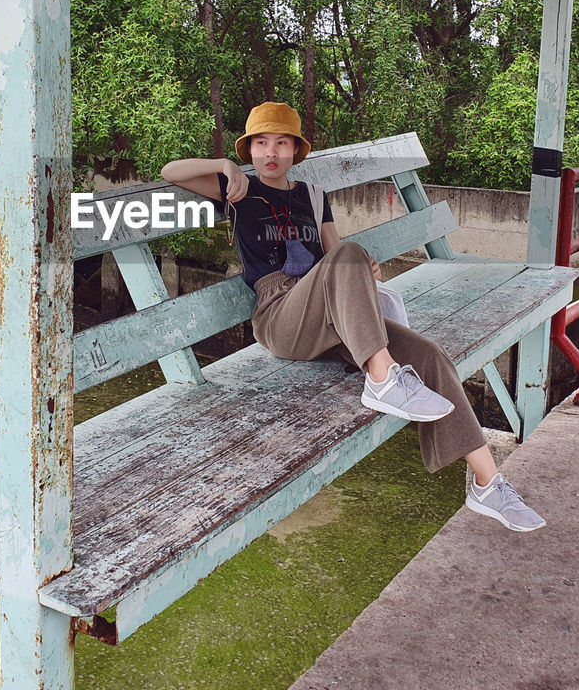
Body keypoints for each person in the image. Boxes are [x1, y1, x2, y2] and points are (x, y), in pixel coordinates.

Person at [161, 101, 545, 532]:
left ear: (295, 151)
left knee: (429, 353)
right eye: (261, 143)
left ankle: (488, 484)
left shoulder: (312, 195)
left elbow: (334, 253)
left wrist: (363, 270)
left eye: (282, 143)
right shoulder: (239, 192)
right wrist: (222, 165)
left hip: (330, 313)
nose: (272, 152)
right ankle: (382, 381)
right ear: (249, 149)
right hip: (280, 316)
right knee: (349, 258)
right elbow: (170, 172)